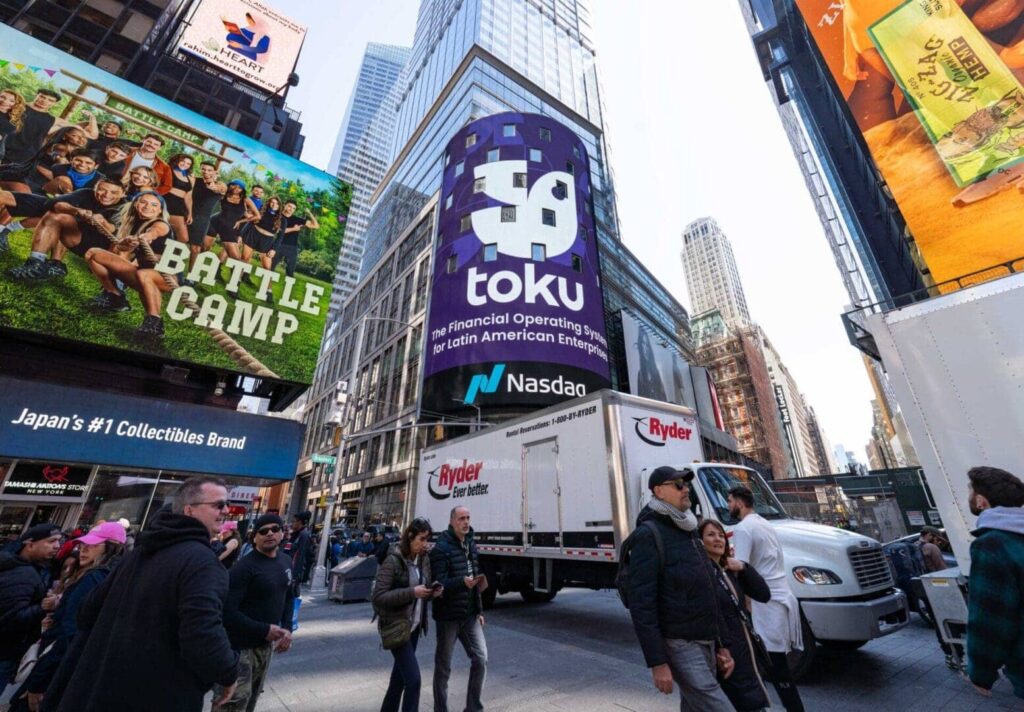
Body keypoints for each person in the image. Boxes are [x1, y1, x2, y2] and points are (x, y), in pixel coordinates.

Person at [41, 477, 238, 712]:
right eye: (218, 505)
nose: (226, 510)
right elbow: (202, 632)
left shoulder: (139, 553)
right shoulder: (202, 562)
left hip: (99, 689)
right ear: (189, 510)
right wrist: (228, 672)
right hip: (155, 693)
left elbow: (88, 611)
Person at [626, 467, 734, 711]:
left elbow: (708, 590)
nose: (686, 489)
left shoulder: (690, 530)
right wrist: (657, 662)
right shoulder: (648, 535)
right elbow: (642, 604)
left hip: (706, 639)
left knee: (695, 706)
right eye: (678, 484)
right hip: (680, 644)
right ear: (659, 492)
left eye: (686, 484)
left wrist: (721, 643)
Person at [9, 522, 125, 712]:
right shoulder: (112, 578)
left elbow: (69, 632)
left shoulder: (93, 578)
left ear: (111, 549)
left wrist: (39, 681)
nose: (83, 550)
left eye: (93, 545)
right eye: (83, 545)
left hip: (55, 667)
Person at [728, 486, 804, 712]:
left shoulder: (743, 528)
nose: (728, 505)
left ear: (740, 503)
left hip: (766, 602)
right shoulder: (765, 524)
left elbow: (740, 567)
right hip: (780, 596)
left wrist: (744, 601)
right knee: (773, 664)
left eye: (730, 500)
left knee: (774, 664)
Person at [215, 514, 295, 712]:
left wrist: (286, 628)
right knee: (232, 704)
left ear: (282, 533)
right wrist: (264, 629)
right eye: (263, 531)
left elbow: (289, 596)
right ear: (254, 537)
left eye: (274, 529)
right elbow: (227, 612)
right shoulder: (243, 568)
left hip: (264, 647)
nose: (269, 534)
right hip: (238, 649)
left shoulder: (285, 561)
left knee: (251, 700)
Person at [700, 519, 772, 712]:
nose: (718, 539)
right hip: (728, 653)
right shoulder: (702, 575)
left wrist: (743, 567)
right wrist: (722, 647)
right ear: (700, 541)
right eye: (710, 535)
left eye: (720, 535)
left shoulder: (731, 571)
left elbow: (764, 594)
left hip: (747, 649)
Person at [965, 466, 1024, 700]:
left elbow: (990, 617)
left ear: (981, 501)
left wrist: (981, 673)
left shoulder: (992, 544)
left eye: (969, 490)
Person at [374, 518, 442, 712]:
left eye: (427, 539)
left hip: (413, 627)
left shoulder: (423, 559)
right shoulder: (393, 560)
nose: (425, 544)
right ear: (410, 537)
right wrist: (412, 592)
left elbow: (423, 588)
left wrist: (431, 592)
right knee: (413, 681)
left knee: (399, 679)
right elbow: (378, 596)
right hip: (397, 626)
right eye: (421, 539)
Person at [82, 191, 171, 334]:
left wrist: (147, 236)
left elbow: (156, 231)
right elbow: (121, 248)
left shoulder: (160, 224)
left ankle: (154, 323)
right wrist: (127, 242)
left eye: (154, 205)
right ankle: (115, 297)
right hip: (143, 273)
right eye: (143, 202)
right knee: (93, 253)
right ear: (136, 204)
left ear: (160, 210)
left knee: (144, 274)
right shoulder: (133, 224)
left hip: (167, 278)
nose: (148, 207)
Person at [6, 178, 126, 282]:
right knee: (56, 215)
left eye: (113, 192)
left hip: (101, 249)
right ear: (95, 188)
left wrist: (103, 222)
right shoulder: (86, 193)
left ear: (123, 194)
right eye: (102, 189)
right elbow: (53, 203)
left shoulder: (124, 208)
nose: (106, 195)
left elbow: (115, 230)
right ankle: (36, 263)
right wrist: (76, 210)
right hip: (77, 238)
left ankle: (115, 289)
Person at [429, 506, 488, 712]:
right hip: (448, 617)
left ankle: (473, 708)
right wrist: (461, 582)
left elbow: (476, 578)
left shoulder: (471, 544)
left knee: (480, 659)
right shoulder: (441, 549)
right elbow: (438, 583)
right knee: (443, 667)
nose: (466, 522)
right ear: (452, 520)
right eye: (462, 518)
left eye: (468, 518)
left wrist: (479, 610)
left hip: (470, 615)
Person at [0, 524, 61, 697]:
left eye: (59, 541)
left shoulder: (24, 567)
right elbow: (12, 619)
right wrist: (42, 607)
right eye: (51, 541)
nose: (57, 546)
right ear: (30, 544)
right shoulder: (23, 574)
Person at [185, 161, 226, 275]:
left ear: (215, 172)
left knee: (196, 248)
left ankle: (191, 275)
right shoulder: (195, 180)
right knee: (179, 242)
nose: (206, 172)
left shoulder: (221, 185)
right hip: (187, 214)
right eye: (203, 169)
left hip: (203, 219)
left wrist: (213, 186)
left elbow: (221, 189)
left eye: (209, 170)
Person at [272, 201, 318, 277]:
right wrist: (293, 229)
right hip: (278, 245)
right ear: (285, 205)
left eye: (293, 208)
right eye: (289, 206)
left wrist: (310, 214)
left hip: (292, 248)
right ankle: (267, 288)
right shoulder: (278, 217)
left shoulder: (297, 219)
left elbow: (315, 226)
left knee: (290, 271)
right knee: (270, 267)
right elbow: (278, 231)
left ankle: (287, 288)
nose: (291, 209)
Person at [163, 153, 194, 249]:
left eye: (188, 163)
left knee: (184, 238)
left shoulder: (191, 177)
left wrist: (190, 213)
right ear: (177, 161)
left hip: (180, 206)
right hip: (166, 201)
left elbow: (188, 197)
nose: (185, 164)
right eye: (183, 161)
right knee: (161, 230)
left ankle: (165, 257)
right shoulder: (168, 170)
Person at [284, 512, 312, 599]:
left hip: (292, 574)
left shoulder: (304, 535)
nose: (292, 523)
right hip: (287, 569)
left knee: (290, 599)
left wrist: (295, 576)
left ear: (300, 522)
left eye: (294, 521)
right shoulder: (295, 535)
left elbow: (300, 557)